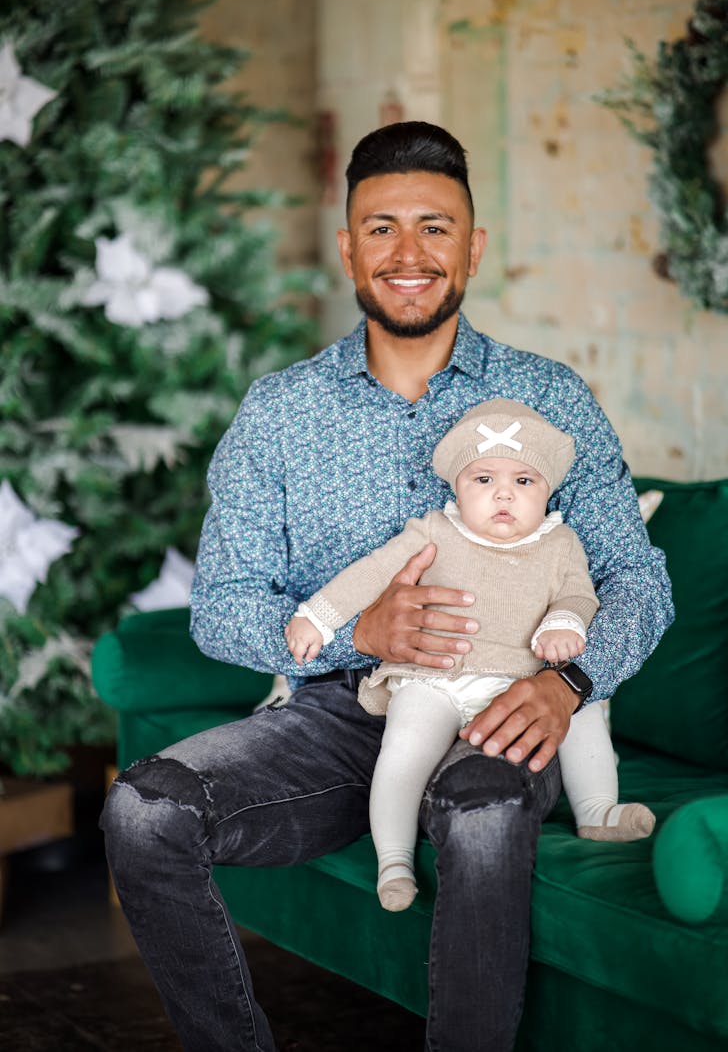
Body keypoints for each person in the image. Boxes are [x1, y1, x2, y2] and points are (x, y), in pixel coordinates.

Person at [101, 121, 674, 1052]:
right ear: (348, 248)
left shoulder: (550, 398)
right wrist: (354, 631)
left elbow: (635, 576)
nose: (409, 254)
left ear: (474, 247)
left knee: (484, 821)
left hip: (500, 704)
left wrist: (566, 683)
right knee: (142, 811)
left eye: (436, 228)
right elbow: (222, 606)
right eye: (382, 228)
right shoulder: (279, 412)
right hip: (331, 716)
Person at [285, 397, 656, 912]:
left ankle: (598, 810)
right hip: (434, 678)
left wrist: (564, 623)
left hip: (519, 685)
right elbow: (373, 573)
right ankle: (392, 859)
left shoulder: (560, 544)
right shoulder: (435, 531)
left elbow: (581, 596)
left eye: (524, 482)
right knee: (403, 750)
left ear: (547, 489)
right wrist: (318, 616)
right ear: (456, 486)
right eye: (483, 479)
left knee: (582, 705)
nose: (504, 493)